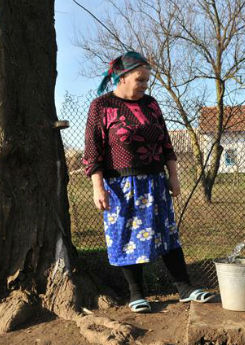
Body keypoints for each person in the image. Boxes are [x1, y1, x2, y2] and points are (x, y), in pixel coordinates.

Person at [83, 51, 214, 313]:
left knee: (167, 234)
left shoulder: (151, 104)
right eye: (140, 80)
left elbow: (166, 143)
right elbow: (92, 150)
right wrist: (98, 187)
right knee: (127, 236)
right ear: (122, 78)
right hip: (121, 185)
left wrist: (173, 177)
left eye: (146, 81)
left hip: (156, 182)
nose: (144, 85)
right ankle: (137, 294)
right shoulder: (101, 106)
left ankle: (185, 288)